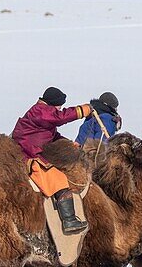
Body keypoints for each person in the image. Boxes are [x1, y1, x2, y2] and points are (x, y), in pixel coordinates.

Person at [12, 87, 93, 235]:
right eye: (59, 106)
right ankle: (69, 221)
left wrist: (69, 144)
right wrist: (83, 110)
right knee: (59, 180)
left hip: (31, 152)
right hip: (28, 156)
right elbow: (60, 117)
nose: (59, 109)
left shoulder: (41, 116)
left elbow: (52, 136)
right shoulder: (40, 111)